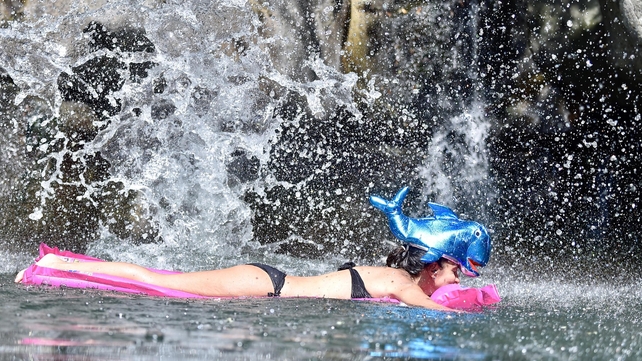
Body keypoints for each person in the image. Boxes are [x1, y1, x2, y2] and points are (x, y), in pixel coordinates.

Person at [16, 245, 462, 311]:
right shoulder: (402, 284)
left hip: (265, 281)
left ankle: (63, 265)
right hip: (263, 284)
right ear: (433, 266)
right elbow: (436, 312)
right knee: (155, 279)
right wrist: (469, 313)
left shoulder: (392, 276)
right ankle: (56, 267)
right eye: (456, 270)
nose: (458, 280)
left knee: (161, 278)